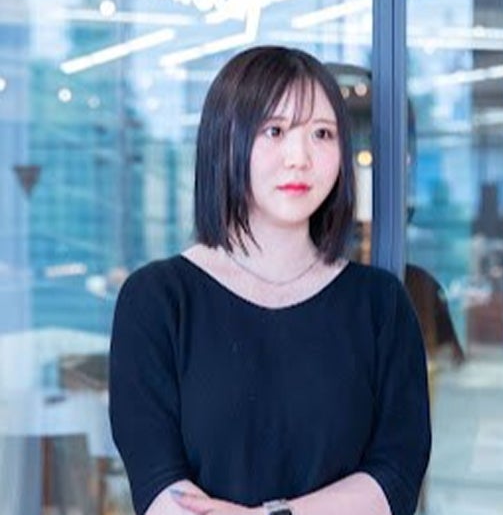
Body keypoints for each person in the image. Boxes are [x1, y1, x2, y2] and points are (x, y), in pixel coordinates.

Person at [109, 46, 431, 515]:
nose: (299, 157)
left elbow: (396, 477)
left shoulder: (380, 305)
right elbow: (159, 486)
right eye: (274, 131)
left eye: (322, 133)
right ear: (226, 141)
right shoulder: (157, 301)